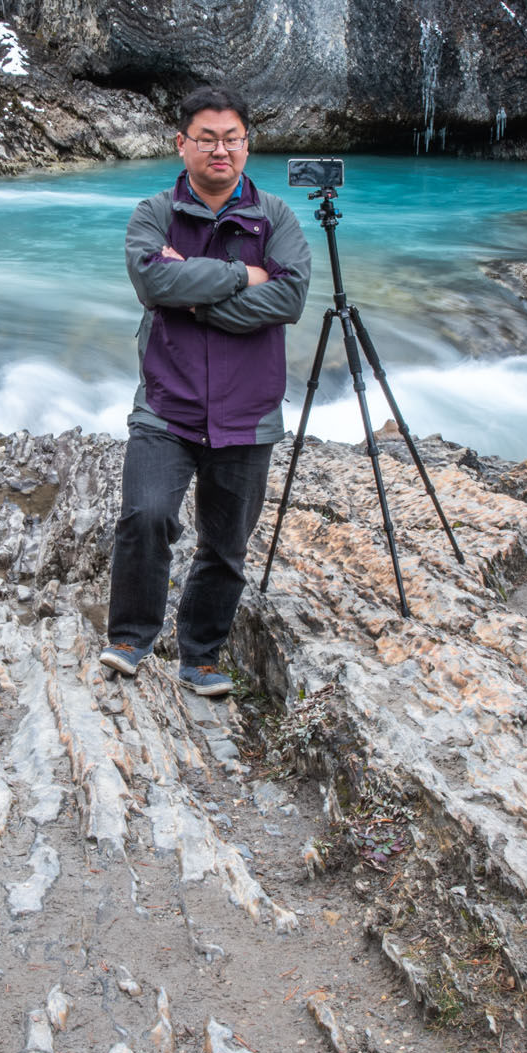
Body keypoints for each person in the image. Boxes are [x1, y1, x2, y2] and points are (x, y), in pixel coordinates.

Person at [103, 86, 310, 695]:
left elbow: (290, 298)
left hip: (248, 411)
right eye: (206, 138)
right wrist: (240, 276)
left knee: (226, 544)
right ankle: (129, 638)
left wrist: (194, 300)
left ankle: (202, 654)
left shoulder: (276, 216)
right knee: (146, 516)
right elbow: (151, 280)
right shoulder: (154, 214)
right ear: (183, 144)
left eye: (232, 138)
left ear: (247, 144)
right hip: (169, 402)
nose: (220, 150)